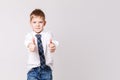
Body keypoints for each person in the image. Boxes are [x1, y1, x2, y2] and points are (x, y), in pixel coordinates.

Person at [24, 9, 58, 80]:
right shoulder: (29, 35)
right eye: (34, 22)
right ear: (30, 23)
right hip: (33, 70)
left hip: (46, 69)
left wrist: (52, 46)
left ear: (44, 23)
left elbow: (53, 43)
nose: (37, 25)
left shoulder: (48, 35)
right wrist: (31, 46)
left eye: (40, 22)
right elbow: (27, 43)